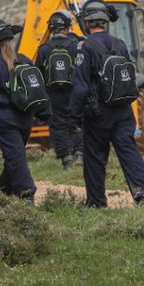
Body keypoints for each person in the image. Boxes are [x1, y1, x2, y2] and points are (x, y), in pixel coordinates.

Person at [68, 0, 144, 207]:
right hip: (123, 110)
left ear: (87, 23)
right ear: (105, 21)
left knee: (95, 158)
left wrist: (73, 118)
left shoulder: (84, 47)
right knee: (128, 151)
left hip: (98, 112)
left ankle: (97, 202)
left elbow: (80, 87)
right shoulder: (120, 44)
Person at [0, 18, 49, 202]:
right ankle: (5, 186)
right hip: (26, 117)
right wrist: (44, 114)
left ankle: (27, 195)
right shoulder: (25, 60)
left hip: (3, 118)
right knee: (15, 153)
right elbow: (39, 89)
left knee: (15, 155)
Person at [36, 9, 84, 169]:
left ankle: (66, 159)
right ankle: (80, 154)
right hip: (74, 92)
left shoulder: (43, 49)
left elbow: (39, 75)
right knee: (77, 121)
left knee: (58, 125)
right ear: (67, 27)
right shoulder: (75, 46)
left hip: (53, 94)